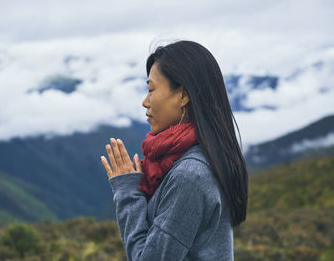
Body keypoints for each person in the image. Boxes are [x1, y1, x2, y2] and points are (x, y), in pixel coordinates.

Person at [100, 40, 248, 261]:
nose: (145, 102)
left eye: (151, 89)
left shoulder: (190, 175)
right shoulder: (201, 158)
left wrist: (127, 193)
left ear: (183, 95)